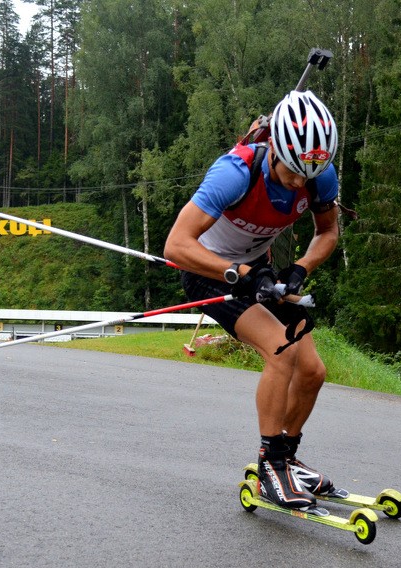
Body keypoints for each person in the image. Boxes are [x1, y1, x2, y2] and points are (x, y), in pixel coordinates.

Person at [164, 90, 347, 513]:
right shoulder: (234, 173)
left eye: (309, 175)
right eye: (292, 173)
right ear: (275, 151)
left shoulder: (320, 175)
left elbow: (327, 234)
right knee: (281, 350)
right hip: (209, 272)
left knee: (312, 371)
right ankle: (270, 467)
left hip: (260, 270)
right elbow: (176, 244)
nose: (301, 183)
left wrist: (300, 268)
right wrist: (245, 275)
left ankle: (288, 457)